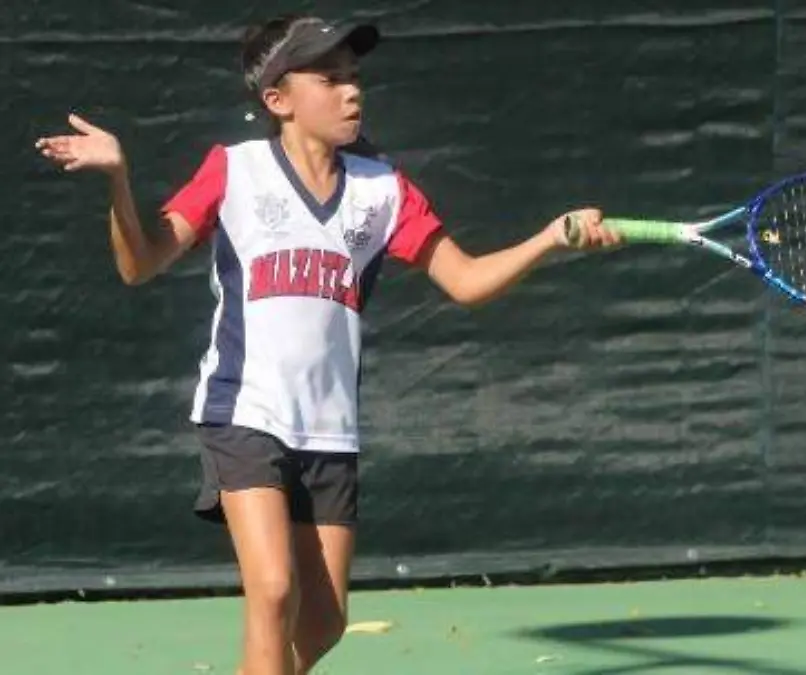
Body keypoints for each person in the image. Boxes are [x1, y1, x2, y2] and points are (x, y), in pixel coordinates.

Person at [34, 13, 620, 675]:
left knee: (324, 623)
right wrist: (118, 178)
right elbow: (139, 263)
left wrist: (549, 239)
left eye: (354, 77)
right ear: (278, 99)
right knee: (274, 590)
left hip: (330, 430)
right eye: (330, 79)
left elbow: (465, 280)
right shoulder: (234, 170)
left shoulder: (383, 189)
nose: (351, 91)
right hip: (244, 412)